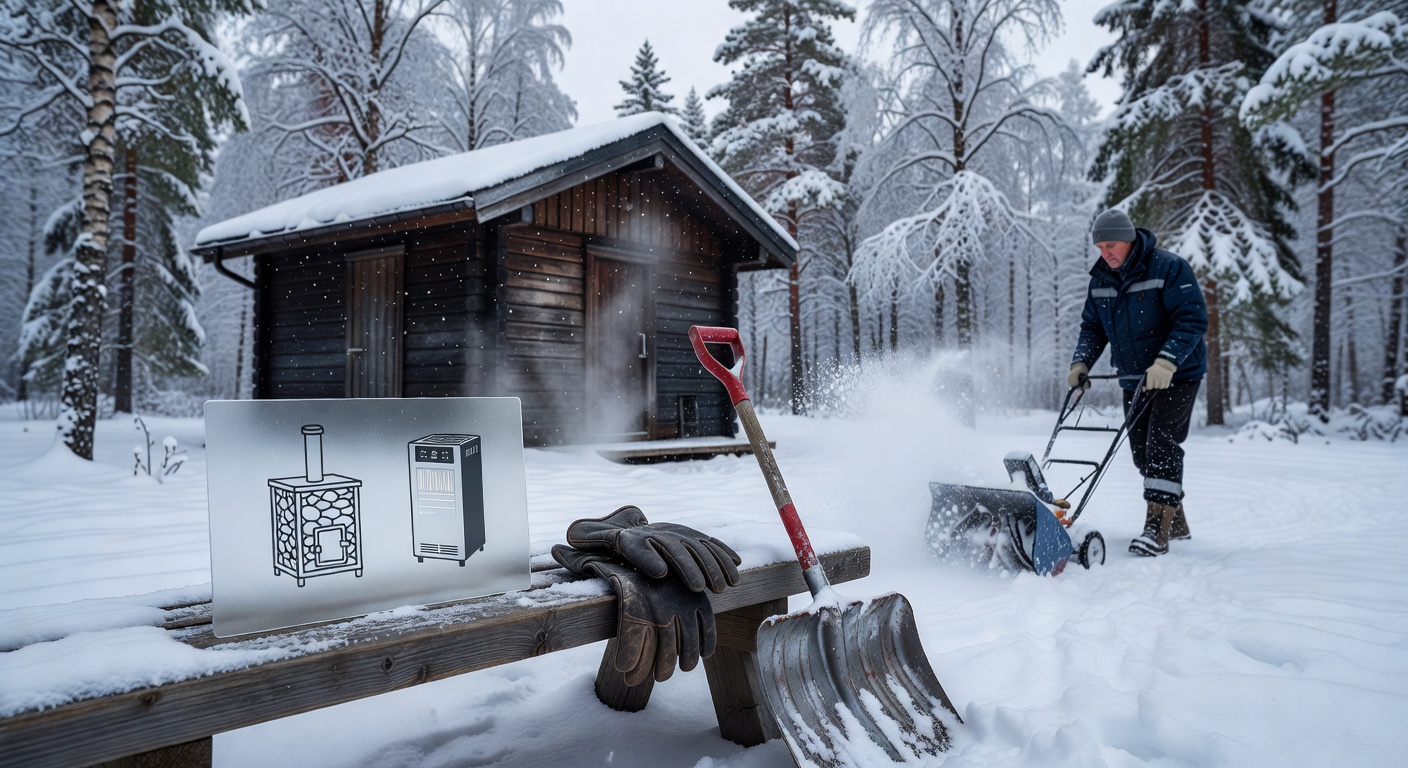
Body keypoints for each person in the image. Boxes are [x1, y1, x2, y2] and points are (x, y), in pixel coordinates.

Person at [1068, 209, 1208, 556]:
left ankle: (1156, 530)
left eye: (1111, 245)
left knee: (1162, 444)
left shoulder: (1169, 268)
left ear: (1130, 240)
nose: (1106, 253)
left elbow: (1192, 319)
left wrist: (1166, 361)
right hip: (1134, 377)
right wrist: (1081, 362)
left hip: (1177, 374)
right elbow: (1093, 327)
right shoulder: (1101, 279)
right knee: (1142, 454)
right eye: (1100, 247)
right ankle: (1175, 522)